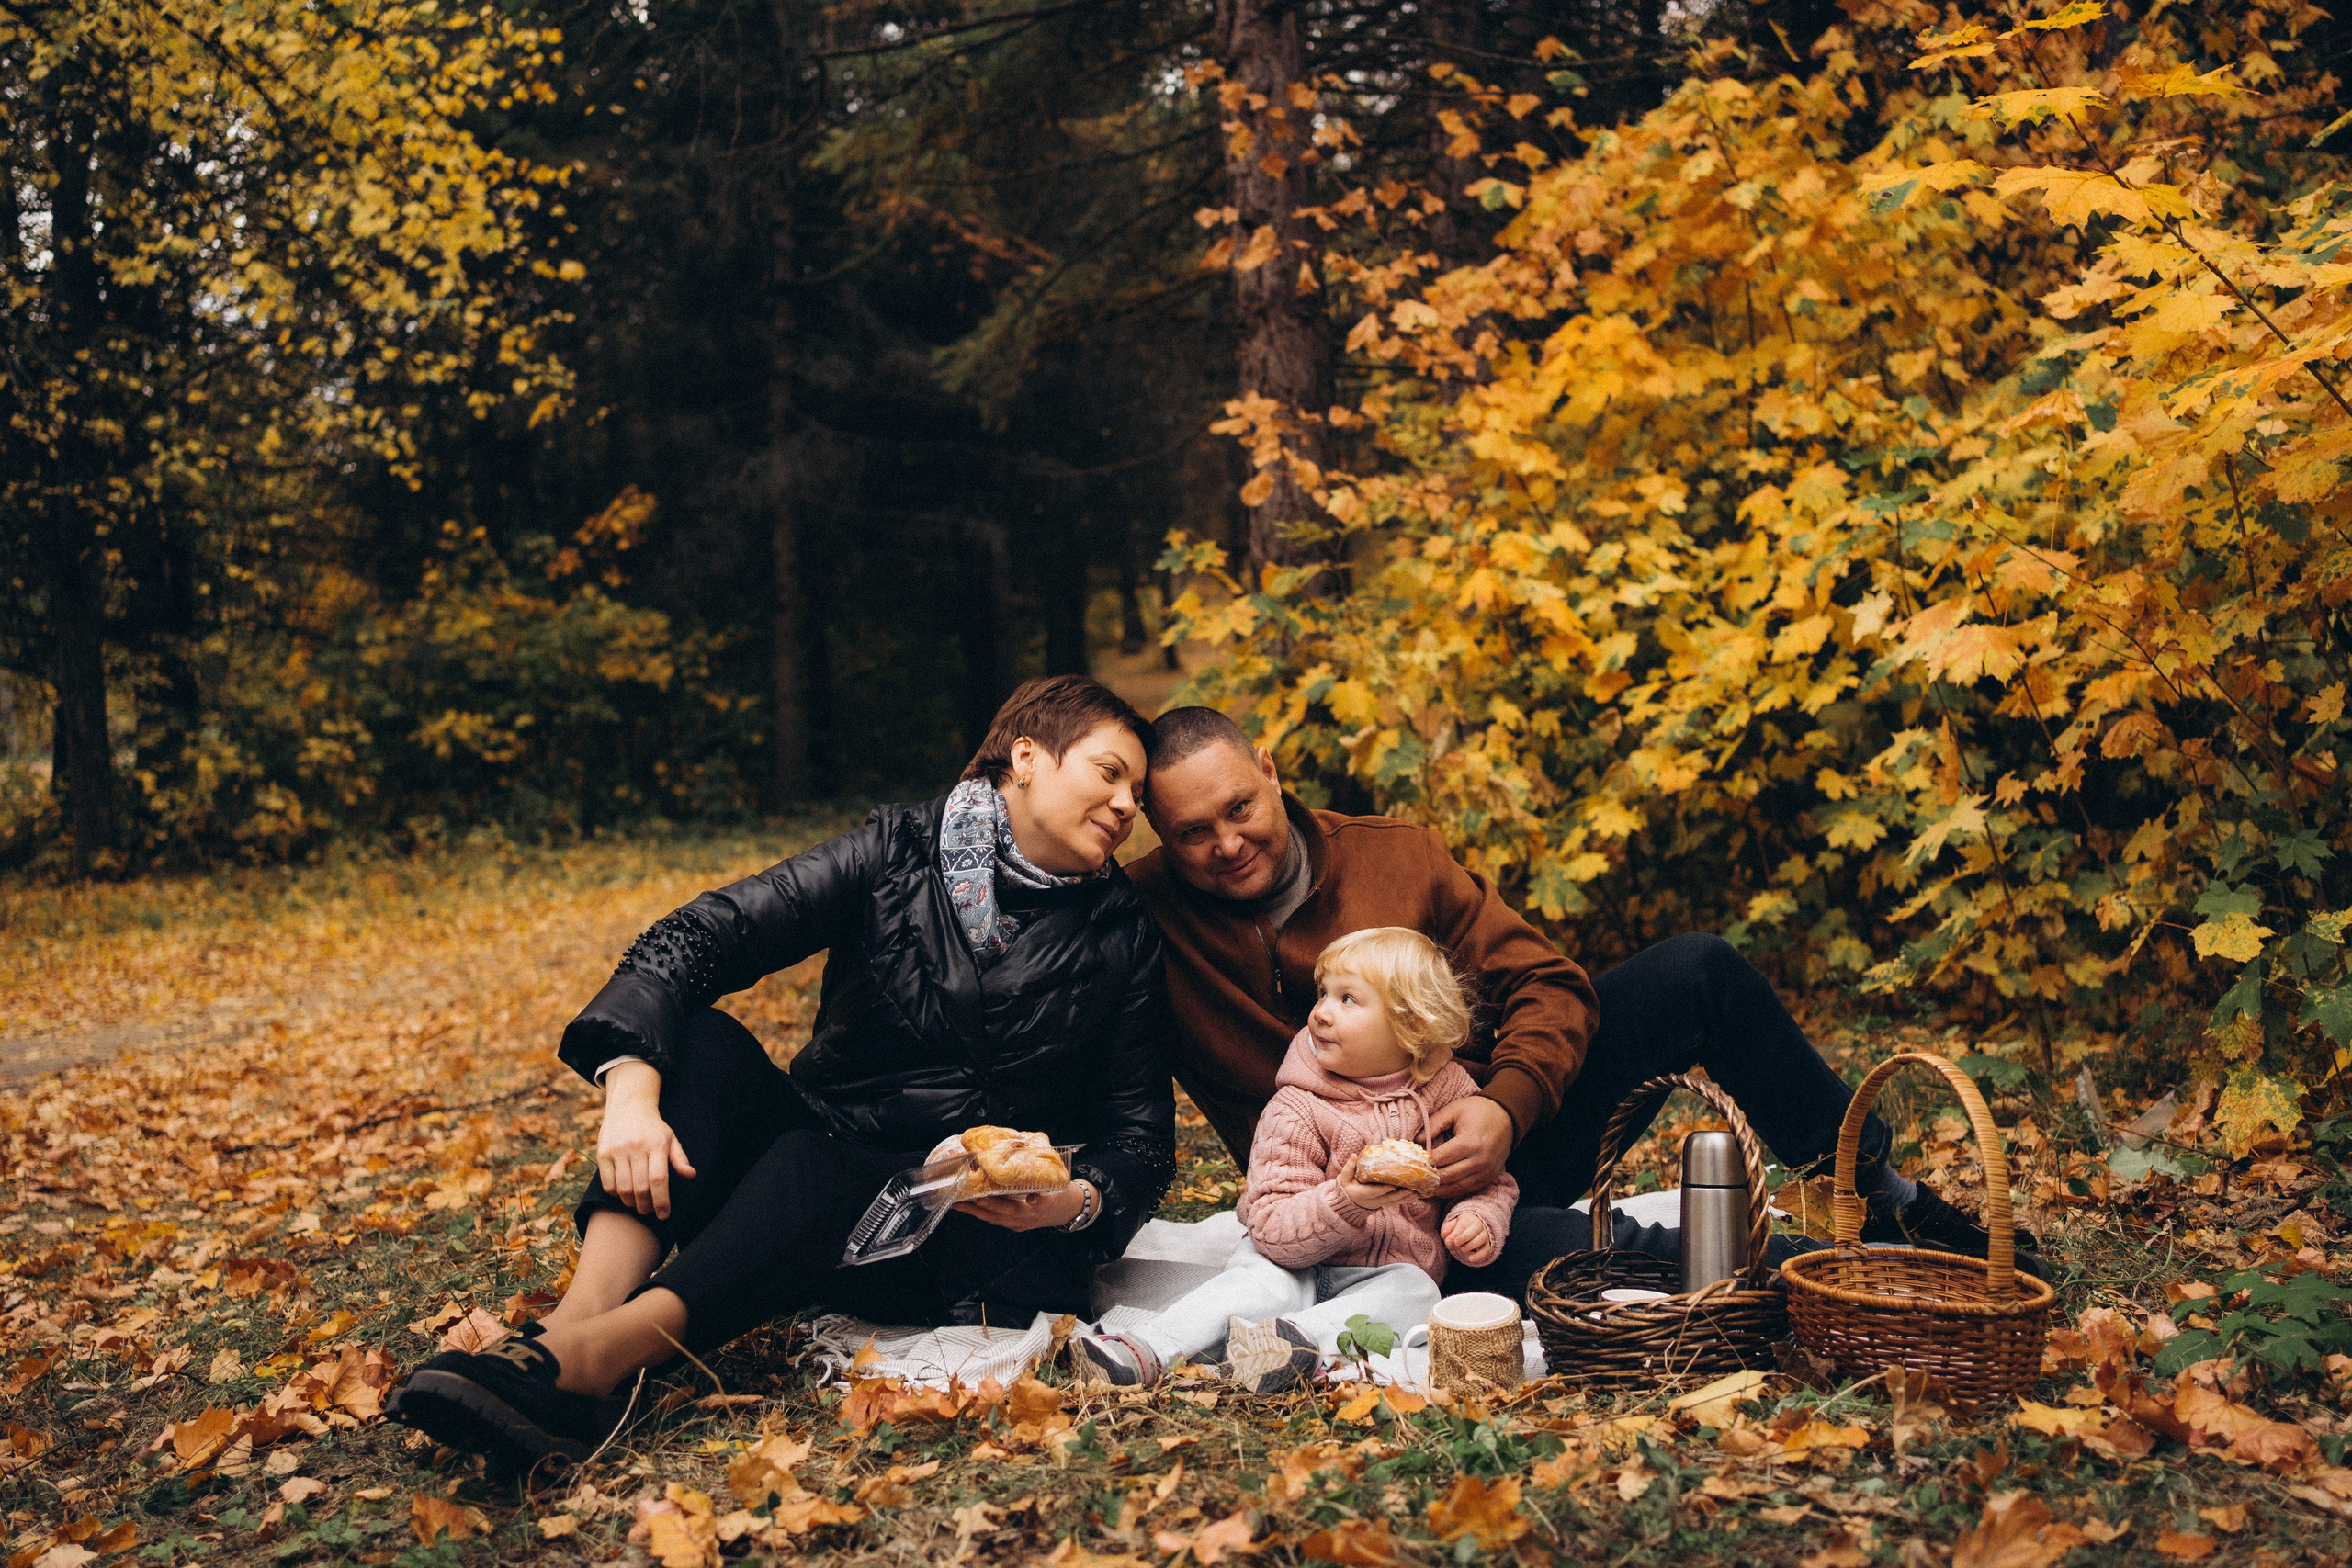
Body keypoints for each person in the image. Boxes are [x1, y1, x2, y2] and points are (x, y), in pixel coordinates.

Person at [387, 677, 1178, 1473]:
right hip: (796, 1180)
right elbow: (702, 935)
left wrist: (1074, 1202)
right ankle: (569, 1325)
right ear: (1027, 756)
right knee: (704, 1042)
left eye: (1138, 795)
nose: (1125, 806)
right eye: (1109, 773)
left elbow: (1141, 1140)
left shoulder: (1123, 930)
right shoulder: (895, 849)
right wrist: (630, 1087)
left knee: (816, 1162)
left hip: (954, 1234)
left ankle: (597, 1363)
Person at [1125, 706, 2044, 1294]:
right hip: (1383, 1226)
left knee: (1697, 969)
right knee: (1584, 1252)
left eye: (1239, 808)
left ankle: (1883, 1198)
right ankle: (1840, 1279)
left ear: (1270, 769)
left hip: (1499, 1133)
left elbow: (1548, 984)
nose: (1226, 844)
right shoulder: (1141, 922)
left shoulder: (1392, 855)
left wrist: (1505, 1104)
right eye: (1192, 832)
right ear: (1157, 834)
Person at [1070, 928, 1519, 1393]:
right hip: (1288, 1261)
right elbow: (1269, 1225)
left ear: (1414, 1026)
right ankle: (1145, 1348)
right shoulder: (1297, 1107)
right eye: (1323, 993)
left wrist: (1477, 1218)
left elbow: (1489, 1180)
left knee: (1417, 1291)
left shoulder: (1449, 1093)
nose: (1321, 1011)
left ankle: (1293, 1345)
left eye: (1347, 999)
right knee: (1259, 1288)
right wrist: (1346, 1201)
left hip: (1381, 1273)